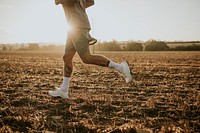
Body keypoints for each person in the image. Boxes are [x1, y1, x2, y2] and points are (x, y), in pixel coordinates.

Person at [49, 0, 132, 99]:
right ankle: (63, 90)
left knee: (86, 58)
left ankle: (121, 68)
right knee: (67, 57)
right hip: (73, 26)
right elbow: (91, 2)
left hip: (78, 25)